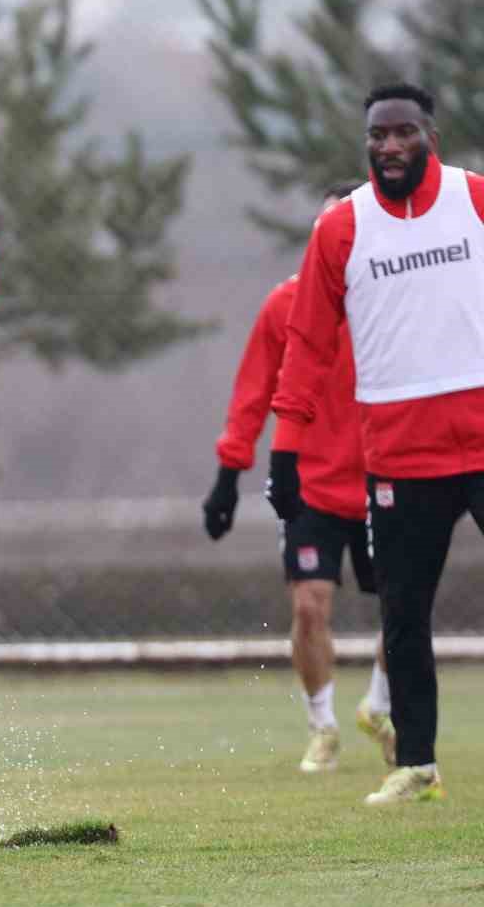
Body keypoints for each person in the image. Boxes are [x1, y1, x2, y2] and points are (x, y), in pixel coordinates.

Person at [272, 80, 484, 805]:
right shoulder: (342, 228)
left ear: (430, 133)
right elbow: (305, 342)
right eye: (377, 135)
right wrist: (284, 448)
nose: (390, 146)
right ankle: (417, 763)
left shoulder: (474, 200)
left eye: (403, 131)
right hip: (398, 453)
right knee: (404, 610)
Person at [203, 182, 396, 775]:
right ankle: (323, 726)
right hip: (310, 487)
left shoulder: (394, 301)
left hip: (386, 479)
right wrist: (228, 476)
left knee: (403, 605)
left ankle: (381, 708)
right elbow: (252, 396)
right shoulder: (284, 307)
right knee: (310, 607)